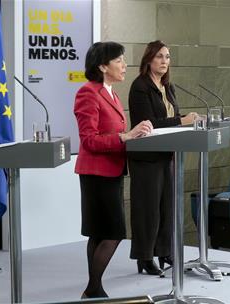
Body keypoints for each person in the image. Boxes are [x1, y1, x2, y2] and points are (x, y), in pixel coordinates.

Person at [74, 41, 153, 298]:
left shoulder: (111, 92)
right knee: (112, 233)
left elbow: (119, 133)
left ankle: (94, 288)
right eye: (118, 60)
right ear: (102, 66)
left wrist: (134, 136)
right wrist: (124, 137)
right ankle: (93, 288)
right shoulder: (88, 93)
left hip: (113, 170)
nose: (124, 65)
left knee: (99, 232)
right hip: (97, 173)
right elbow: (88, 139)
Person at [128, 40, 198, 275]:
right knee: (148, 209)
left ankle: (165, 252)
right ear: (148, 59)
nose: (165, 62)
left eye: (168, 57)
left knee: (166, 207)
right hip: (146, 157)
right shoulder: (140, 87)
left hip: (167, 154)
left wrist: (189, 120)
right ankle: (144, 257)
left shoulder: (168, 87)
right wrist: (182, 121)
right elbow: (148, 123)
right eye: (160, 57)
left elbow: (174, 117)